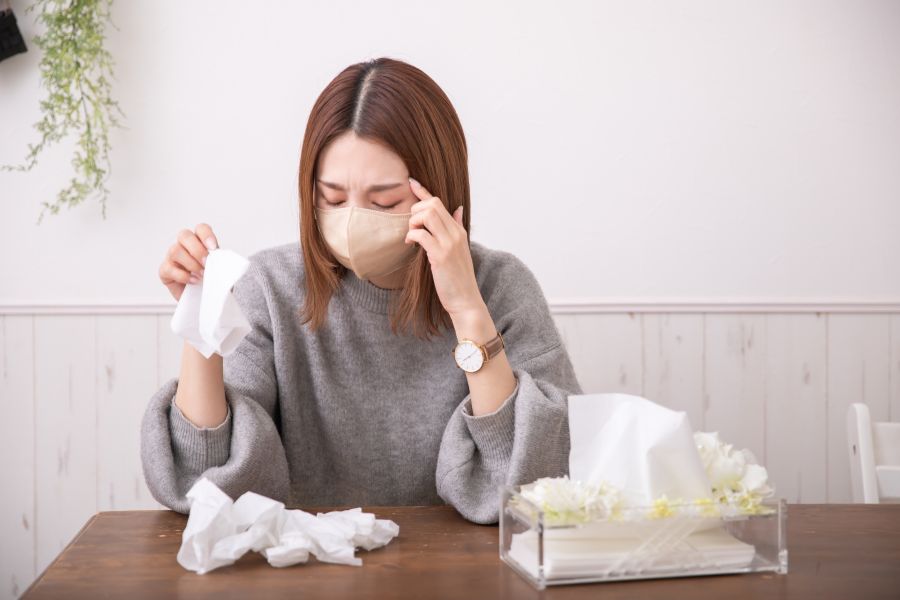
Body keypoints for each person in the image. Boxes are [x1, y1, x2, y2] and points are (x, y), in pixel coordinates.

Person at [141, 57, 583, 524]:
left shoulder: (501, 286)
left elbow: (545, 482)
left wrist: (467, 310)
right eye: (332, 198)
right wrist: (201, 321)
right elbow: (201, 482)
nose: (352, 218)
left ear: (438, 189)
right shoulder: (270, 288)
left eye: (385, 201)